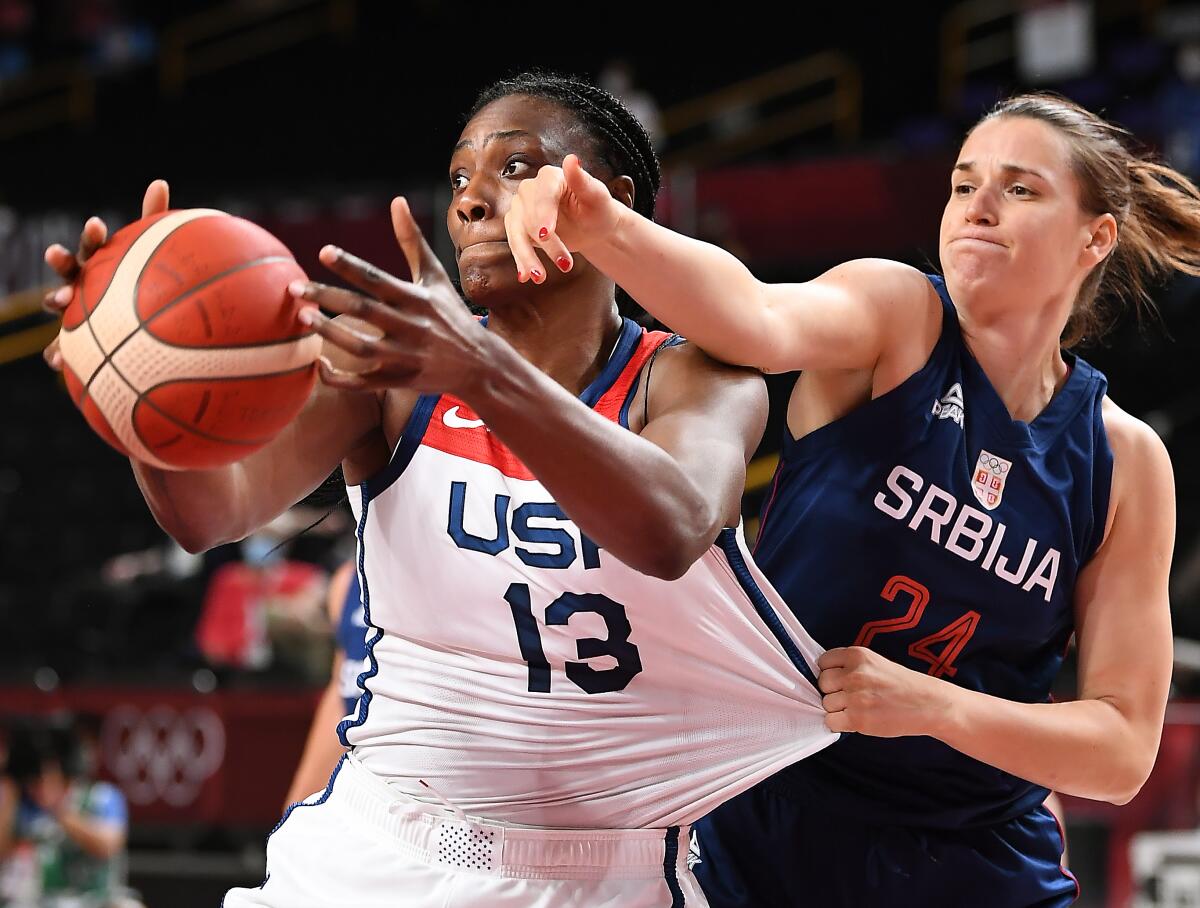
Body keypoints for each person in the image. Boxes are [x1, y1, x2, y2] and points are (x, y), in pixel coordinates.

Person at [42, 73, 836, 907]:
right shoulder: (392, 377)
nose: (471, 200)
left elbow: (672, 528)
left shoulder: (695, 377)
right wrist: (138, 395)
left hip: (606, 876)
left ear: (610, 198)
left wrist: (482, 374)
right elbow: (210, 514)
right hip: (380, 852)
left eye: (516, 166)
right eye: (459, 179)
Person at [505, 92, 1197, 905]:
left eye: (1019, 189)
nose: (977, 208)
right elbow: (753, 313)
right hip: (768, 811)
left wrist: (931, 706)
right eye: (963, 183)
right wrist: (602, 226)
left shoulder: (1125, 461)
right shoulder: (899, 318)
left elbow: (1118, 751)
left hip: (976, 855)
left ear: (1096, 238)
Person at [282, 560, 364, 810]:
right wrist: (298, 803)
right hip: (360, 754)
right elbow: (342, 690)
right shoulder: (348, 580)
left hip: (422, 777)